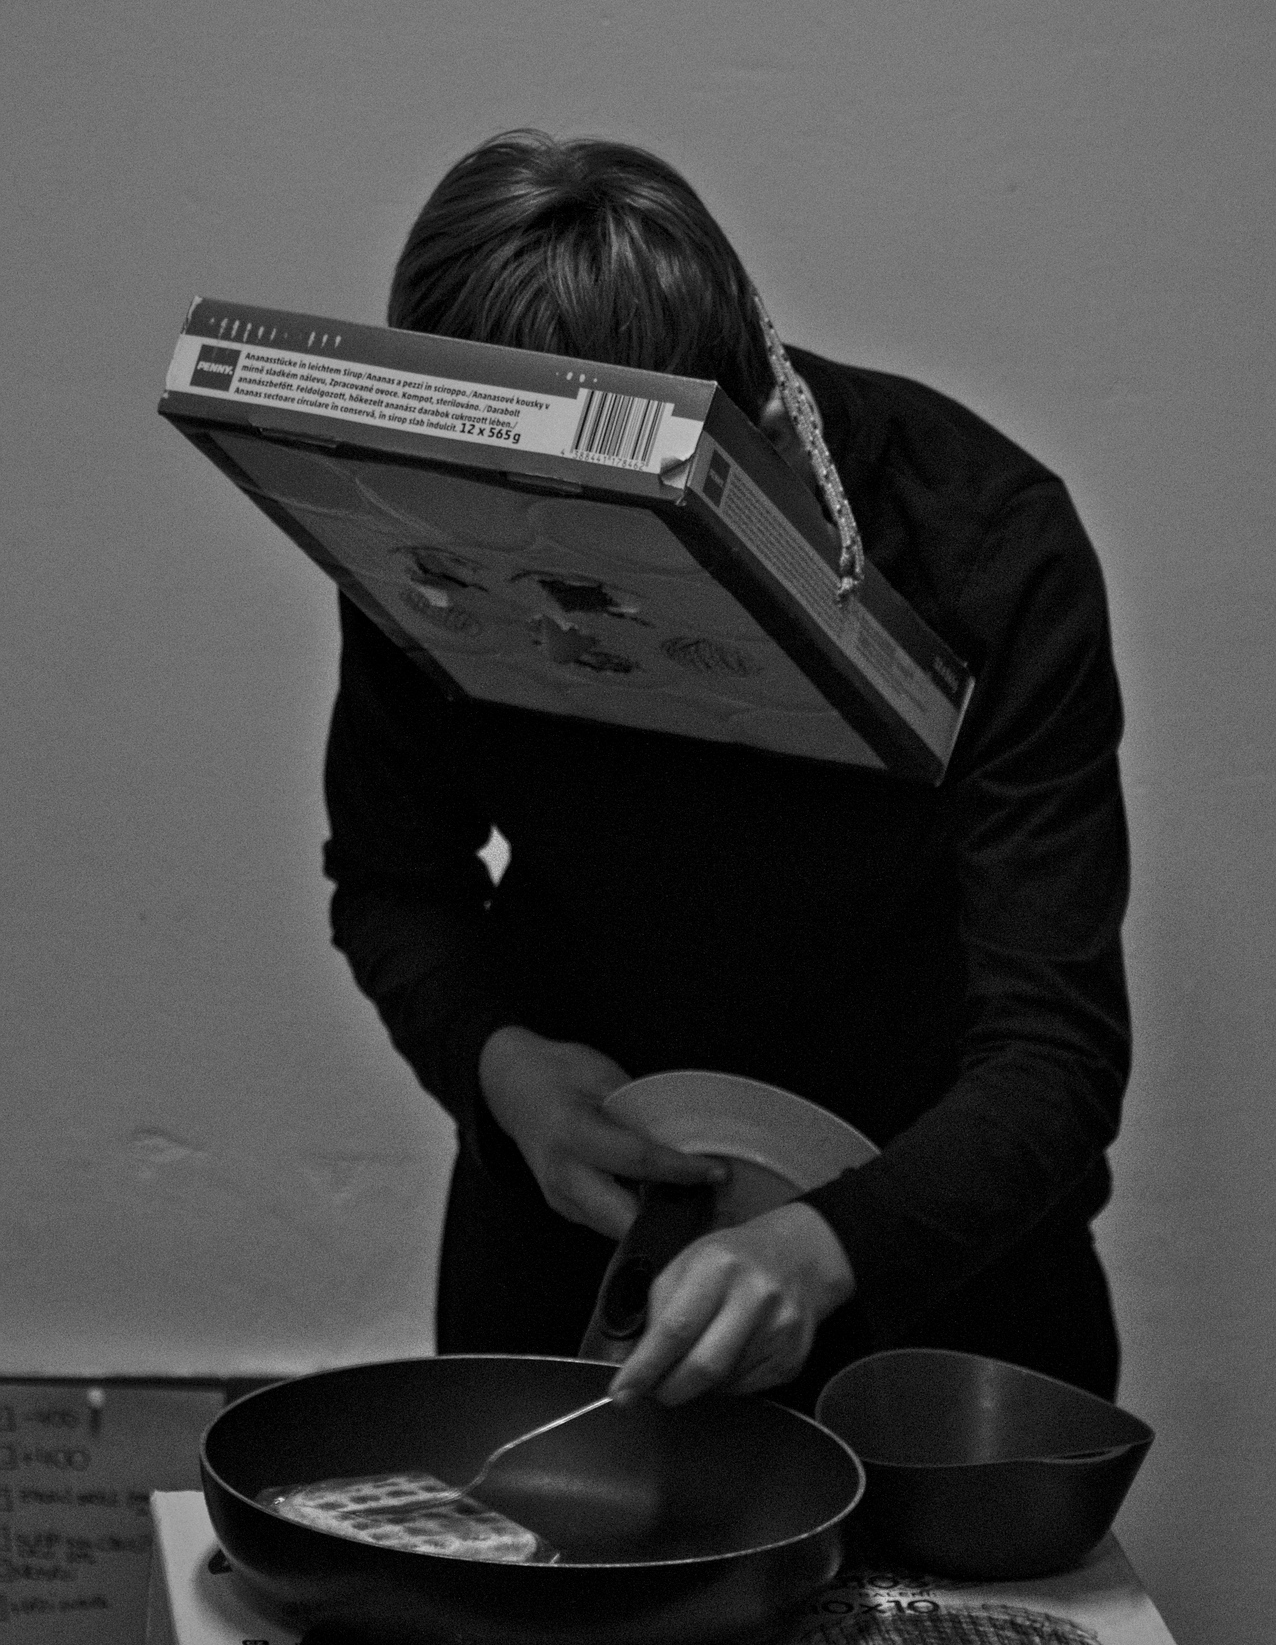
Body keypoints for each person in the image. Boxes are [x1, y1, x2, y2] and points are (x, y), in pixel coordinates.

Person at [322, 129, 1131, 1414]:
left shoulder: (983, 540)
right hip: (572, 1254)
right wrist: (498, 1068)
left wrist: (820, 1250)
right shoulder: (432, 518)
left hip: (941, 1283)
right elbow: (391, 877)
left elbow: (1056, 1052)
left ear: (760, 435)